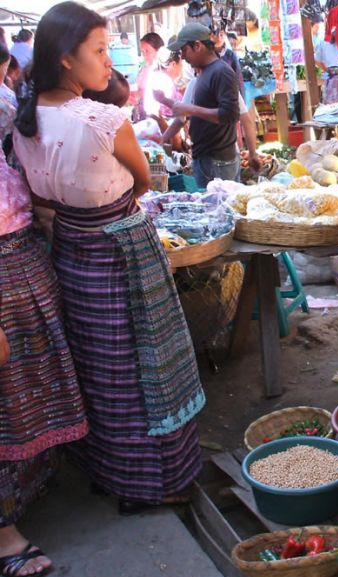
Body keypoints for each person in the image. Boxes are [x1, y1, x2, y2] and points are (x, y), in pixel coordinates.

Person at [13, 1, 205, 516]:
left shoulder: (24, 122)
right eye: (98, 50)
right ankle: (157, 482)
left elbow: (42, 199)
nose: (107, 61)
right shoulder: (103, 118)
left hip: (72, 250)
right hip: (124, 249)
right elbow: (143, 182)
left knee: (100, 367)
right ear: (66, 60)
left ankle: (110, 472)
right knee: (149, 367)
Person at [0, 92, 88, 577]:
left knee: (29, 393)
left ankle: (27, 492)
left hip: (24, 268)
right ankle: (3, 532)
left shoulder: (6, 120)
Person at [166, 22, 240, 187]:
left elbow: (230, 115)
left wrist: (191, 109)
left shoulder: (221, 72)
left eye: (184, 50)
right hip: (208, 159)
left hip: (217, 162)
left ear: (197, 46)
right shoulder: (205, 72)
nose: (183, 57)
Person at [133, 32, 164, 119]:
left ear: (158, 50)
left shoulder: (161, 71)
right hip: (143, 112)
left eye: (147, 51)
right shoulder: (145, 68)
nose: (144, 55)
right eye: (142, 52)